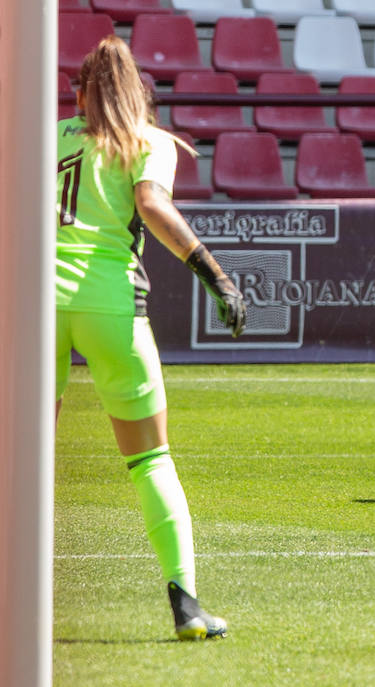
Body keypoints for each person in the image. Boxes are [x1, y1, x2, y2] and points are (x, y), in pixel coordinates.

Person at [57, 36, 246, 640]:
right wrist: (216, 277)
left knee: (22, 461)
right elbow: (152, 205)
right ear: (138, 92)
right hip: (111, 303)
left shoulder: (50, 134)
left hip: (31, 303)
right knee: (149, 459)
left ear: (80, 94)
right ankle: (187, 605)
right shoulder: (150, 143)